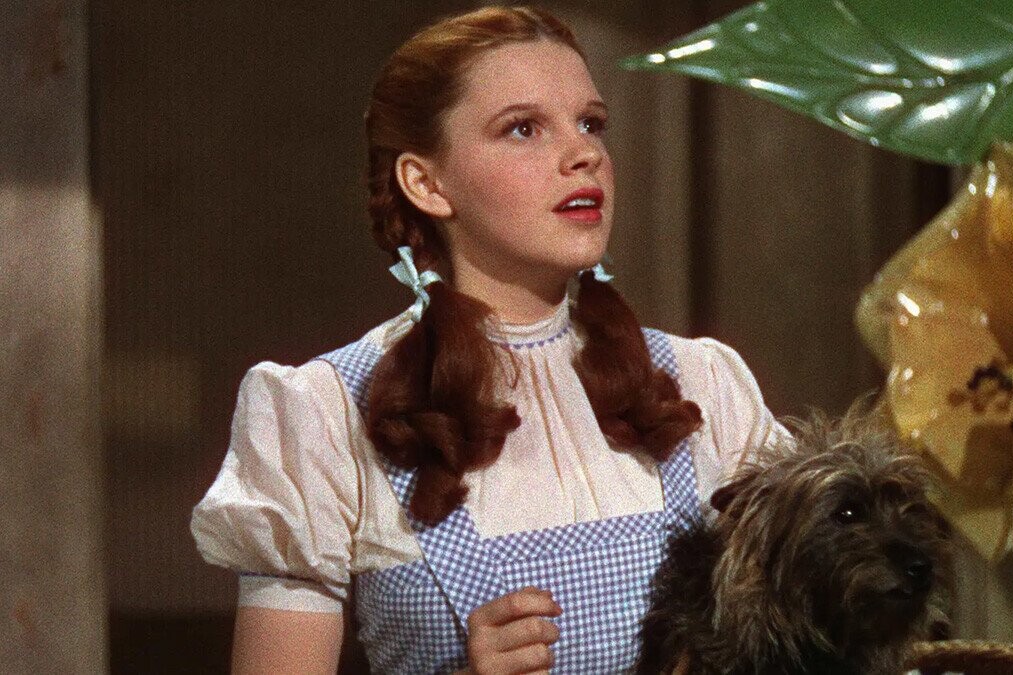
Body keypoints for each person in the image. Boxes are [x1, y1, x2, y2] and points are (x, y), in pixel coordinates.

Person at [191, 6, 790, 674]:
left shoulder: (704, 385)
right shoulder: (327, 413)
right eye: (523, 128)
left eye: (590, 123)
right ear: (426, 183)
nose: (584, 154)